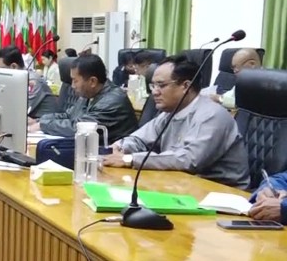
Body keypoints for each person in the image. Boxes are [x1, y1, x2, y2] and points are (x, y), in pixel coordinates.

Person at [103, 54, 250, 189]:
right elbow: (139, 139)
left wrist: (129, 159)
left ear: (185, 86)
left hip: (220, 192)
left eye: (161, 85)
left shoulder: (212, 115)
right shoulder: (169, 113)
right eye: (153, 85)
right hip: (183, 185)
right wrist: (119, 147)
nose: (154, 92)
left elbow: (189, 160)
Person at [35, 54, 139, 141]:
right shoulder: (89, 94)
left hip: (113, 155)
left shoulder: (112, 101)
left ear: (92, 81)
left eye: (75, 81)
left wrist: (42, 125)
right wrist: (39, 121)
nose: (72, 86)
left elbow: (78, 128)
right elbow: (68, 115)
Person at [0, 46, 57, 118]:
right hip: (27, 120)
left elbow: (19, 110)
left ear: (14, 67)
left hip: (44, 122)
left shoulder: (32, 81)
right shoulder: (15, 79)